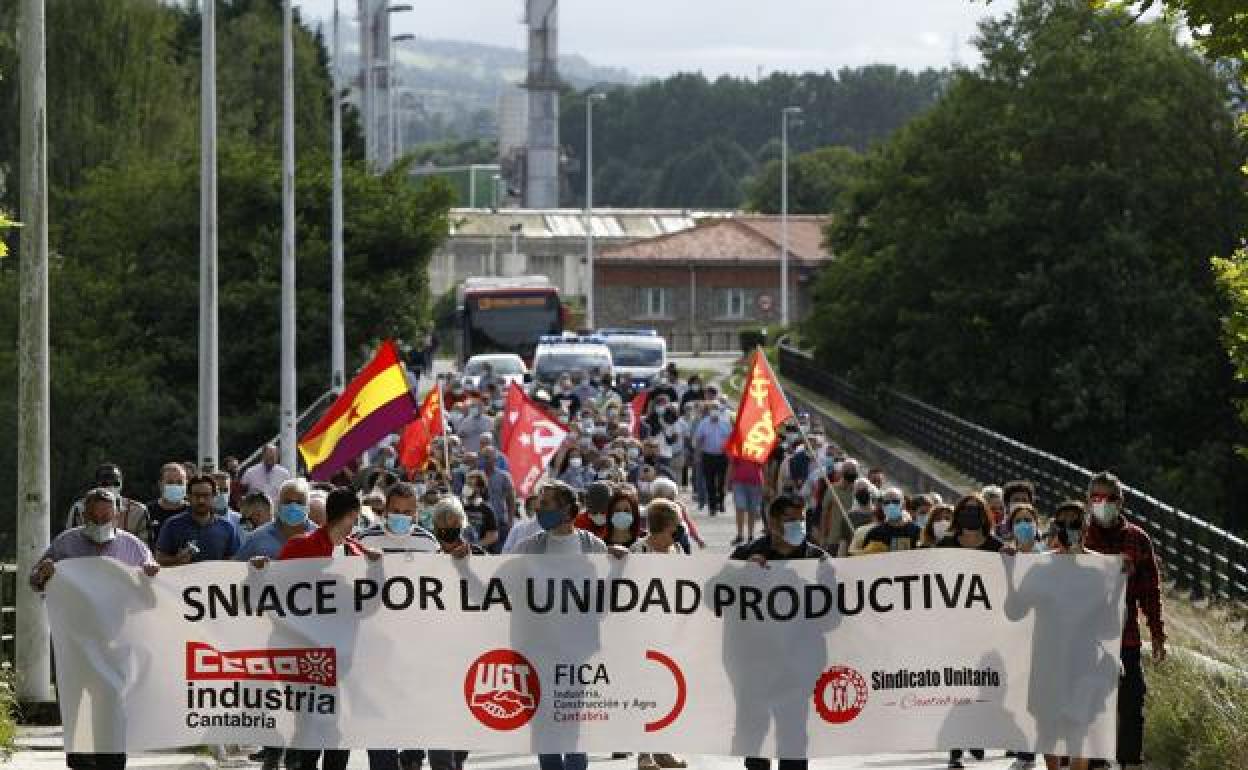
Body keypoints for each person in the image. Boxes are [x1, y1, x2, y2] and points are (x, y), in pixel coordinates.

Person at [30, 487, 160, 770]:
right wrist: (45, 573)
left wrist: (150, 575)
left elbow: (152, 591)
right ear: (83, 515)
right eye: (93, 516)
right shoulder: (65, 544)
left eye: (105, 516)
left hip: (116, 645)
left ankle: (112, 763)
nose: (100, 522)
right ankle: (80, 761)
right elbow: (35, 580)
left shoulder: (132, 547)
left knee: (112, 710)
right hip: (76, 643)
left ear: (116, 515)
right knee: (78, 709)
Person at [730, 494, 827, 770]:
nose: (798, 525)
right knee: (756, 744)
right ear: (773, 523)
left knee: (793, 741)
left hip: (798, 664)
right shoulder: (746, 555)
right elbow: (712, 597)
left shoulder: (817, 559)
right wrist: (742, 575)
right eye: (790, 520)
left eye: (802, 519)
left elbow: (834, 617)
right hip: (754, 663)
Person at [1082, 472, 1164, 770]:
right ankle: (1093, 761)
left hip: (1125, 636)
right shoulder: (1080, 537)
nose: (1103, 504)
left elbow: (1150, 591)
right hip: (1084, 640)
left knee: (1131, 703)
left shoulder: (1137, 539)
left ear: (1121, 501)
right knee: (1090, 705)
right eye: (1096, 498)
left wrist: (1157, 634)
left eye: (1110, 498)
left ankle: (1130, 761)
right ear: (1088, 501)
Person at [938, 494, 1000, 769]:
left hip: (987, 630)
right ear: (958, 516)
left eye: (976, 511)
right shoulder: (945, 545)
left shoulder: (997, 548)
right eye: (966, 511)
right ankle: (955, 749)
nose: (971, 516)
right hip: (952, 630)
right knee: (956, 686)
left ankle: (975, 734)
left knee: (981, 687)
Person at [154, 475, 241, 565]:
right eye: (196, 495)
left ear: (214, 496)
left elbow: (234, 561)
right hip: (182, 578)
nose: (201, 500)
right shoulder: (172, 525)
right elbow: (159, 559)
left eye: (206, 495)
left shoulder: (227, 527)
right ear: (188, 496)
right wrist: (176, 559)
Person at [65, 463, 150, 543]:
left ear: (121, 484)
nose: (111, 487)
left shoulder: (139, 511)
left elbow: (144, 546)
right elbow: (71, 540)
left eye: (115, 483)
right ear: (97, 484)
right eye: (105, 483)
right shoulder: (79, 508)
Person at [236, 480, 316, 562]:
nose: (294, 506)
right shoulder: (257, 538)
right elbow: (236, 567)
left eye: (299, 502)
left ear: (308, 507)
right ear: (278, 505)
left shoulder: (320, 538)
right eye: (288, 502)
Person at [356, 482, 439, 554]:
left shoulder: (429, 542)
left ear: (415, 513)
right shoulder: (364, 539)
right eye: (396, 511)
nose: (401, 516)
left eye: (407, 512)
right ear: (385, 510)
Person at [694, 404, 732, 516]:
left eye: (717, 409)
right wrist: (697, 455)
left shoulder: (725, 424)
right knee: (709, 482)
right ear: (710, 411)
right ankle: (712, 507)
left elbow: (730, 439)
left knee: (721, 482)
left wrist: (730, 455)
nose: (714, 412)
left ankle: (721, 501)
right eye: (713, 409)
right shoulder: (703, 423)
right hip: (708, 456)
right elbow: (699, 440)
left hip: (722, 456)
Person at [861, 487, 921, 553]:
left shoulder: (916, 531)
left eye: (895, 501)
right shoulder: (875, 533)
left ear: (903, 504)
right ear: (883, 506)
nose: (891, 505)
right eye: (887, 502)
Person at [145, 461, 189, 543]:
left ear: (186, 484)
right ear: (160, 484)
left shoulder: (193, 511)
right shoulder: (146, 511)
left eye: (180, 482)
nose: (175, 486)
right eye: (170, 482)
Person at [460, 471, 500, 549]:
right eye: (466, 484)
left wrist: (476, 546)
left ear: (480, 489)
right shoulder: (458, 506)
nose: (467, 487)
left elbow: (493, 535)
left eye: (471, 485)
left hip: (477, 554)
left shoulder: (486, 510)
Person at [729, 457, 764, 546]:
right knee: (740, 507)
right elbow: (732, 464)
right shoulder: (738, 449)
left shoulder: (759, 449)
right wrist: (728, 481)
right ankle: (740, 535)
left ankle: (751, 535)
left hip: (755, 482)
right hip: (738, 481)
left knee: (752, 510)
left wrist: (765, 483)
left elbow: (764, 466)